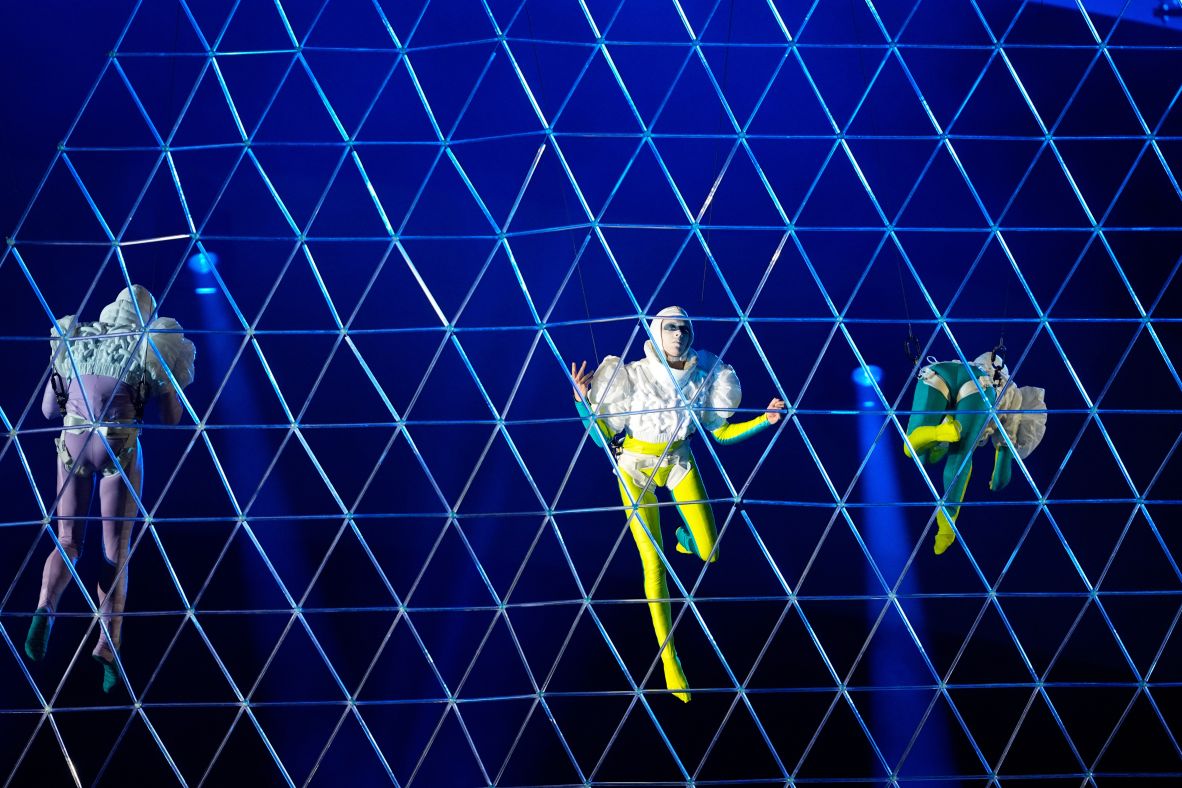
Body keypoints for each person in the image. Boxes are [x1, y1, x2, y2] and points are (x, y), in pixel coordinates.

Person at [570, 306, 783, 702]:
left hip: (679, 462)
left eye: (684, 328)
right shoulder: (632, 375)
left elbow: (721, 434)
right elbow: (602, 440)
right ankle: (670, 660)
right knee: (653, 563)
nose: (678, 335)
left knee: (709, 551)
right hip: (635, 468)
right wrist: (584, 403)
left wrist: (763, 422)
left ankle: (685, 538)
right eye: (670, 328)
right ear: (655, 332)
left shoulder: (704, 378)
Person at [25, 285, 194, 692]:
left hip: (74, 441)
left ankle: (45, 606)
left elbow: (48, 410)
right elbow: (172, 419)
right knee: (115, 551)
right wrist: (162, 383)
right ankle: (107, 641)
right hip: (116, 444)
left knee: (67, 539)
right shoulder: (151, 343)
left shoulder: (76, 338)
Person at [903, 351, 1046, 555]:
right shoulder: (1013, 398)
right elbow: (1000, 476)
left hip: (940, 370)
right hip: (980, 385)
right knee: (959, 457)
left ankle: (939, 433)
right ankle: (946, 526)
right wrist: (997, 483)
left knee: (914, 450)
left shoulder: (971, 365)